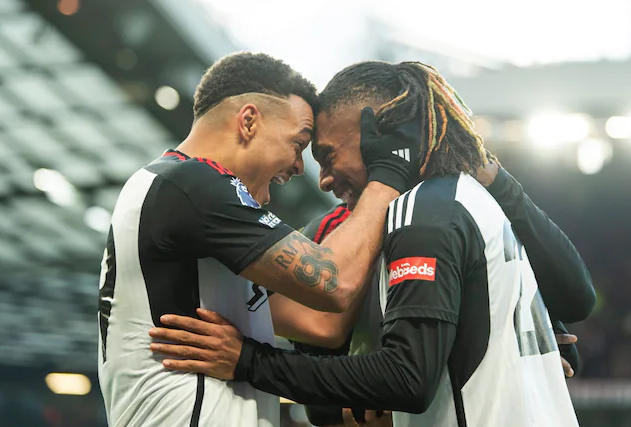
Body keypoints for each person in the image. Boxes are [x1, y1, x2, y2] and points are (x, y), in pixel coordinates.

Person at [148, 60, 596, 427]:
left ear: (376, 134)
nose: (322, 179)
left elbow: (574, 301)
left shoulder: (448, 208)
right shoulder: (332, 235)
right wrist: (352, 408)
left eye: (326, 155)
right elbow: (325, 373)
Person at [98, 53, 424, 427]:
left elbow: (322, 323)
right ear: (249, 121)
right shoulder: (194, 185)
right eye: (299, 143)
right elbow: (334, 281)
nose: (301, 167)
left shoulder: (174, 192)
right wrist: (388, 174)